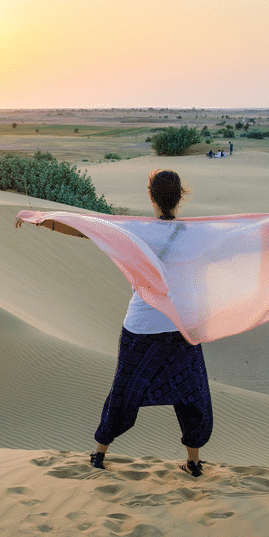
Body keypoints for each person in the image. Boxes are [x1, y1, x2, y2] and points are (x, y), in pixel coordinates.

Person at [90, 169, 213, 477]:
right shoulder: (195, 232)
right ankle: (194, 463)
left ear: (151, 196)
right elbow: (241, 237)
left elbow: (88, 229)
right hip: (181, 327)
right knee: (191, 394)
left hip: (141, 328)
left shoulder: (135, 230)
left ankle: (99, 453)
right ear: (181, 196)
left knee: (124, 391)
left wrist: (38, 218)